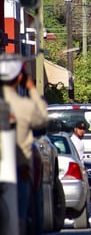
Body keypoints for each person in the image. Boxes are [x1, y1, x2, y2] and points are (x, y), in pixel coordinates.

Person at [0, 58, 48, 234]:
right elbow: (42, 119)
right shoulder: (23, 106)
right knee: (21, 217)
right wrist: (32, 90)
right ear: (20, 77)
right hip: (18, 172)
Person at [66, 121, 91, 225]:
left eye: (84, 129)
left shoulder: (79, 141)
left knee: (86, 194)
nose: (82, 131)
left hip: (82, 170)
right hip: (77, 171)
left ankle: (89, 215)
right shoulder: (73, 141)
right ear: (75, 129)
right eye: (80, 129)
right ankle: (88, 215)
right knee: (83, 194)